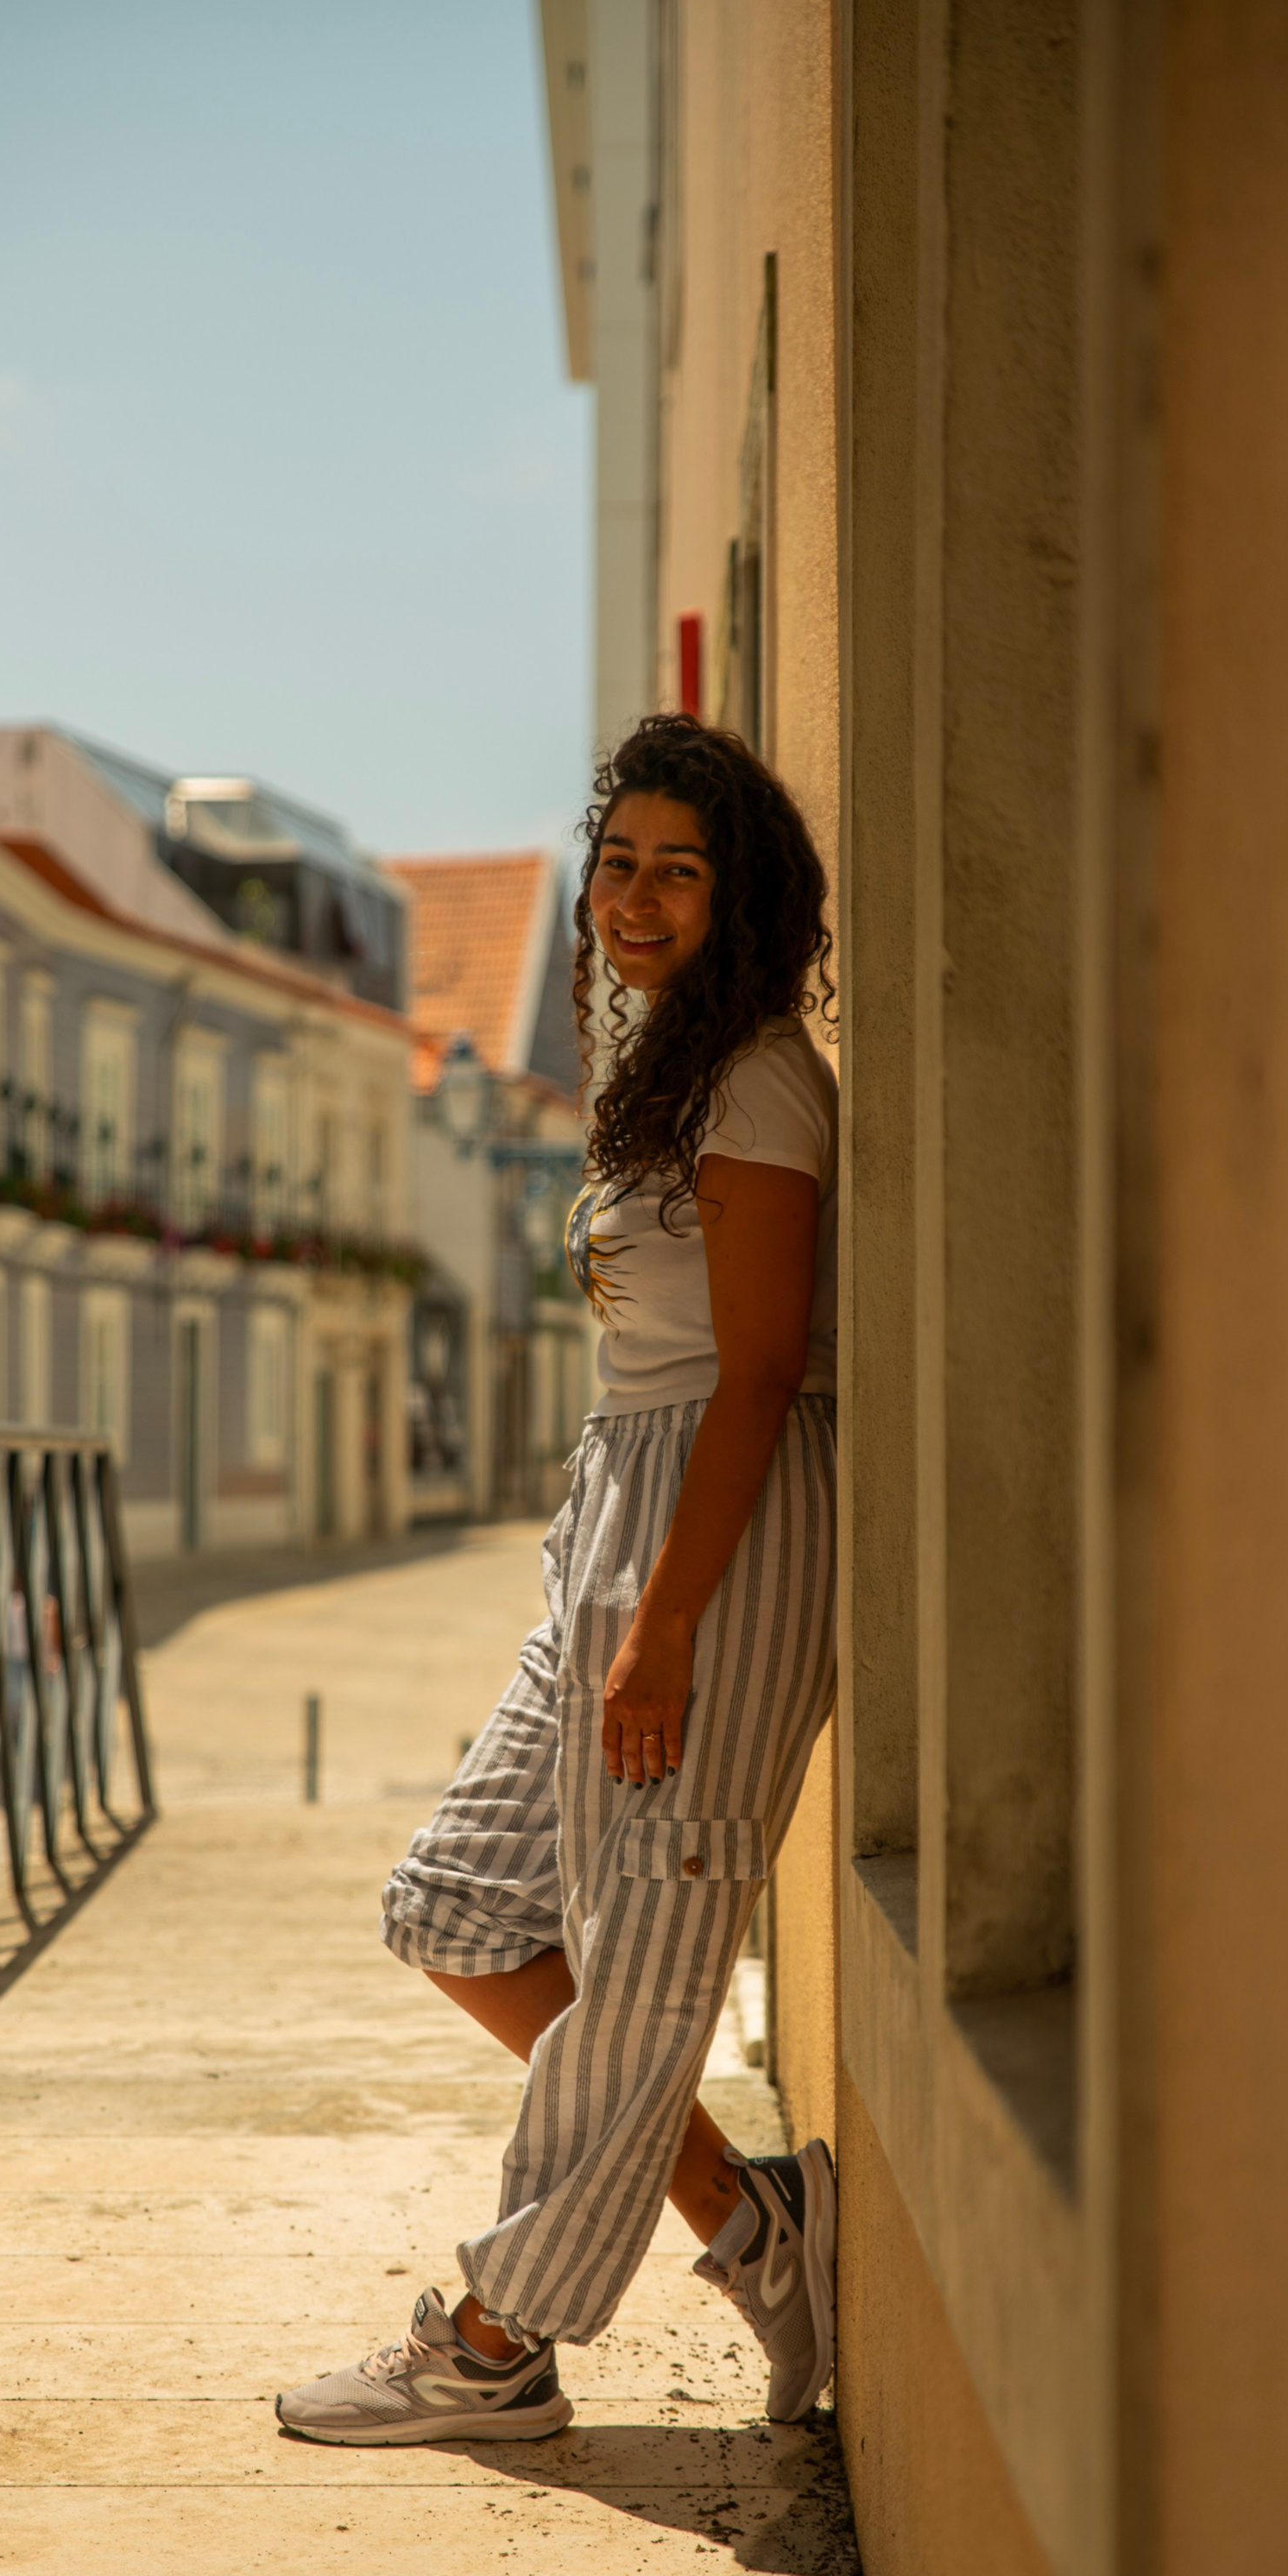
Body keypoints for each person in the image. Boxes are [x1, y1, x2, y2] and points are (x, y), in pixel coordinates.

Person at [276, 715, 841, 2447]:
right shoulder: (667, 1066)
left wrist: (665, 1618)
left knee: (653, 1941)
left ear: (739, 895)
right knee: (458, 1902)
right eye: (620, 862)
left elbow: (753, 1372)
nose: (640, 895)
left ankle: (498, 2334)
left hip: (713, 1532)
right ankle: (758, 2225)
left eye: (682, 866)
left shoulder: (752, 1079)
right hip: (620, 1512)